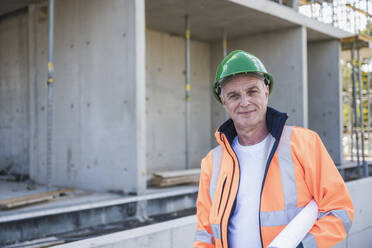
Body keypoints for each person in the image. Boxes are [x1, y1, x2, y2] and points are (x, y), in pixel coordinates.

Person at [193, 50, 354, 248]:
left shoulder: (304, 144)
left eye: (252, 91)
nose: (245, 102)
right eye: (234, 96)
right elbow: (204, 234)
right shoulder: (212, 162)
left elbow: (340, 211)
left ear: (266, 91)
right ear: (223, 101)